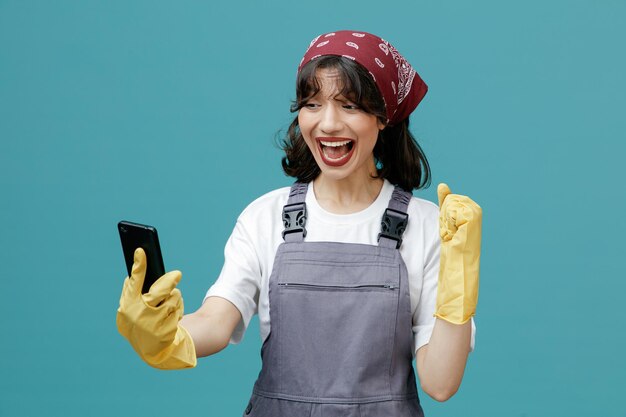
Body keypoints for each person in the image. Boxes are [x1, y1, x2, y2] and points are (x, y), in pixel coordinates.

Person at [116, 30, 482, 416]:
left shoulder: (427, 227)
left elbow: (440, 383)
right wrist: (164, 336)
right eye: (312, 104)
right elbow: (215, 322)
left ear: (384, 117)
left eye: (349, 106)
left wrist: (458, 291)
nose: (327, 124)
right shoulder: (265, 216)